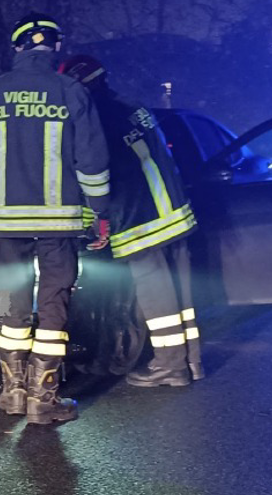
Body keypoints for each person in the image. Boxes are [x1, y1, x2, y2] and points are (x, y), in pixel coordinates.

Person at [0, 14, 110, 424]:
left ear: (17, 48)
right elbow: (92, 160)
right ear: (55, 48)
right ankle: (42, 400)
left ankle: (12, 393)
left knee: (13, 302)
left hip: (8, 221)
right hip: (59, 222)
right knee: (53, 305)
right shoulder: (69, 91)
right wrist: (100, 213)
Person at [59, 54, 203, 385]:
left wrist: (92, 219)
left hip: (141, 219)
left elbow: (97, 174)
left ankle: (170, 366)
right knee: (181, 294)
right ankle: (192, 361)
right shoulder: (132, 106)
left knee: (156, 294)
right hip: (174, 213)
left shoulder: (95, 119)